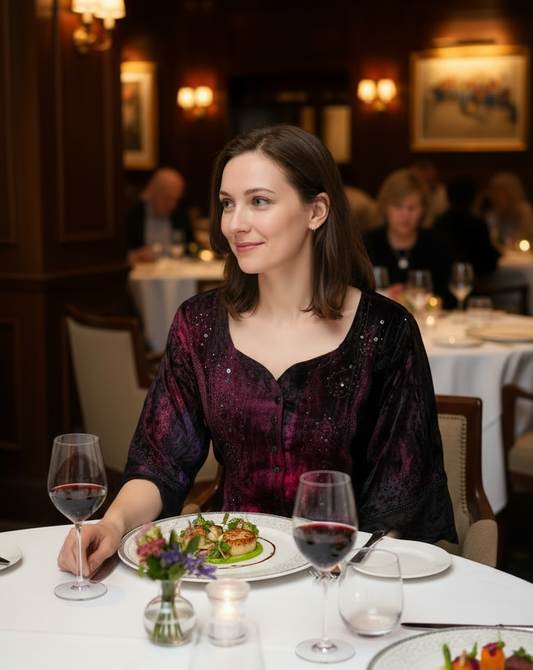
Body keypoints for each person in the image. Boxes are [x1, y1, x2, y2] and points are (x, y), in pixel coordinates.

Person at [58, 125, 456, 577]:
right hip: (230, 573)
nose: (234, 223)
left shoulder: (385, 331)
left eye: (259, 201)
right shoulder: (200, 324)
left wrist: (348, 584)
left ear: (316, 211)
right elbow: (160, 464)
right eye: (228, 203)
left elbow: (399, 502)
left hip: (342, 574)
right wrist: (112, 524)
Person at [365, 168, 454, 306]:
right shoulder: (366, 244)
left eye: (412, 208)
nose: (405, 215)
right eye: (398, 207)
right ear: (385, 207)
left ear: (423, 210)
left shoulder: (438, 246)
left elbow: (446, 299)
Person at [434, 176, 500, 278]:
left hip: (443, 280)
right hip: (475, 282)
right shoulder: (477, 223)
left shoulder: (439, 221)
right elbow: (487, 263)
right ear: (473, 197)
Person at [126, 167, 194, 263]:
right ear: (151, 190)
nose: (172, 205)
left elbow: (191, 247)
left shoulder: (179, 214)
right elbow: (120, 252)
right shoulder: (132, 214)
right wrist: (133, 256)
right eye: (167, 198)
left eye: (176, 199)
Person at [485, 171, 533, 249]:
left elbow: (527, 237)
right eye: (495, 192)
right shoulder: (494, 214)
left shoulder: (524, 211)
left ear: (511, 193)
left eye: (500, 192)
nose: (496, 197)